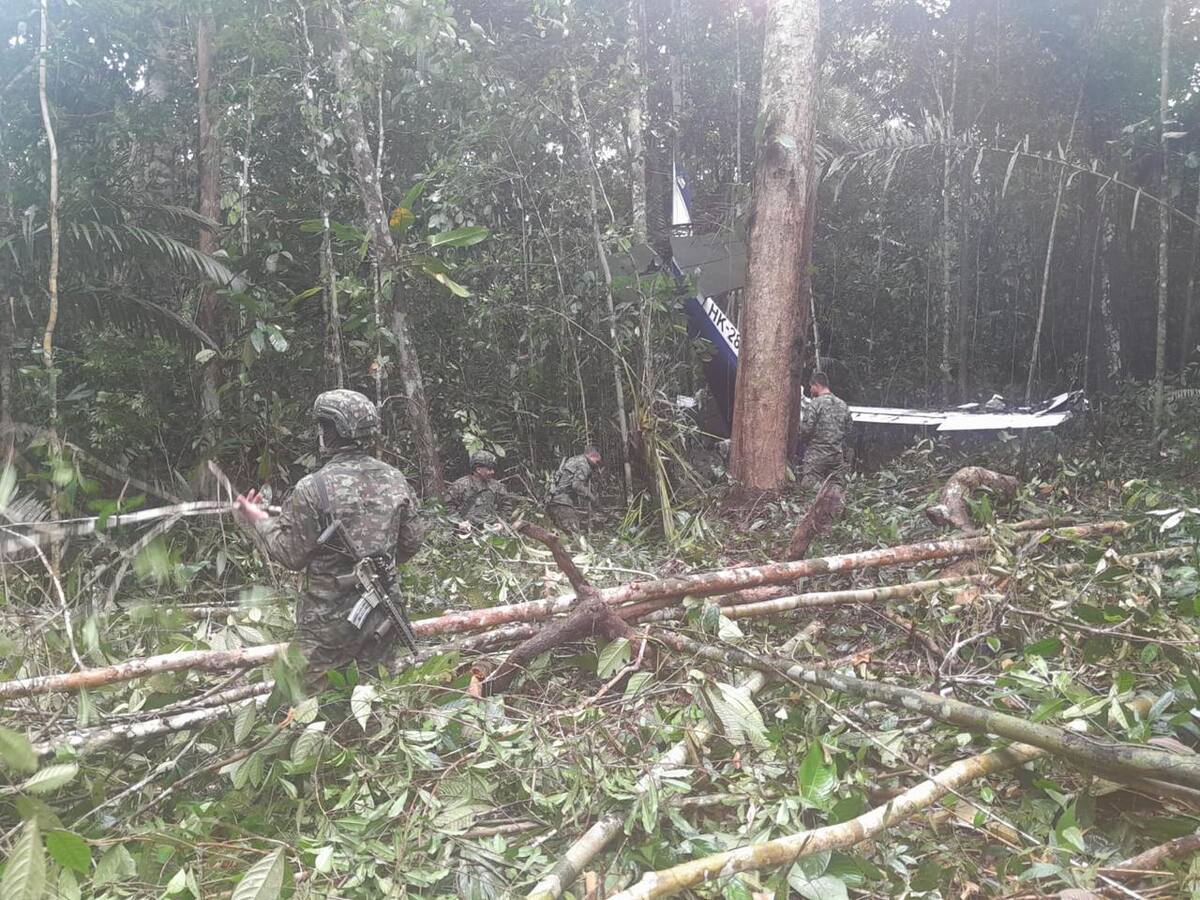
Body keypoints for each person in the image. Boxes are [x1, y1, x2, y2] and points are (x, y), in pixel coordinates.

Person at [234, 389, 425, 680]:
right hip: (382, 617)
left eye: (323, 426)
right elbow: (411, 542)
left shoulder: (313, 487)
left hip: (327, 626)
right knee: (375, 699)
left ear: (331, 430)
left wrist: (256, 521)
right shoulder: (395, 479)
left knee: (305, 705)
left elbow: (290, 554)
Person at [796, 372, 851, 491]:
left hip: (817, 454)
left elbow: (806, 430)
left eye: (811, 387)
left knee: (809, 487)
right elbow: (848, 428)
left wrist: (802, 441)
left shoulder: (815, 404)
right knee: (836, 487)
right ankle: (834, 508)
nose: (810, 390)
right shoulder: (843, 405)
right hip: (836, 455)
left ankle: (814, 507)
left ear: (817, 385)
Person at [446, 450, 515, 527]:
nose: (492, 472)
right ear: (478, 469)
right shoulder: (460, 486)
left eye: (492, 469)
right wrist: (459, 523)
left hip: (491, 530)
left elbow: (506, 507)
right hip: (466, 530)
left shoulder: (497, 487)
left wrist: (501, 524)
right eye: (489, 469)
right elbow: (448, 507)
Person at [547, 445, 601, 532]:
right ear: (592, 455)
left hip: (553, 499)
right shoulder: (584, 465)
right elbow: (576, 485)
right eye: (597, 461)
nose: (597, 464)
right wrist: (591, 497)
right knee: (573, 534)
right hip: (562, 502)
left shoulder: (573, 459)